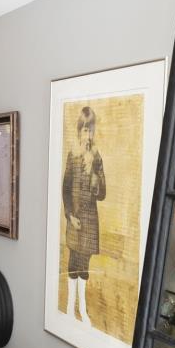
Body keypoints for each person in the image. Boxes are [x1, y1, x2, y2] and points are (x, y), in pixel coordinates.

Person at [62, 105, 106, 325]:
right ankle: (70, 307)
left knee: (84, 266)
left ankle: (83, 309)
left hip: (89, 221)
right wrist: (69, 215)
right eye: (85, 130)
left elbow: (103, 194)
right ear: (79, 131)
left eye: (91, 130)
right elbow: (65, 189)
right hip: (74, 219)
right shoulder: (72, 155)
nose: (88, 135)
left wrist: (97, 181)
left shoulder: (96, 158)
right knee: (73, 263)